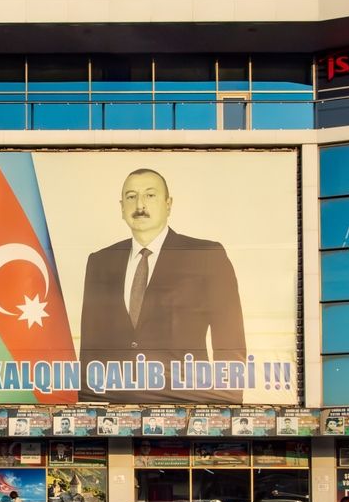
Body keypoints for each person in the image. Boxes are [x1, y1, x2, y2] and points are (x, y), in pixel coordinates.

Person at [79, 168, 246, 403]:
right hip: (116, 408)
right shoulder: (100, 261)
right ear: (122, 208)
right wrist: (89, 407)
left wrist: (227, 409)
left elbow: (230, 343)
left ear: (168, 204)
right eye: (131, 196)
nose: (140, 204)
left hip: (187, 404)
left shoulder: (205, 255)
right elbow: (90, 348)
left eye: (150, 195)